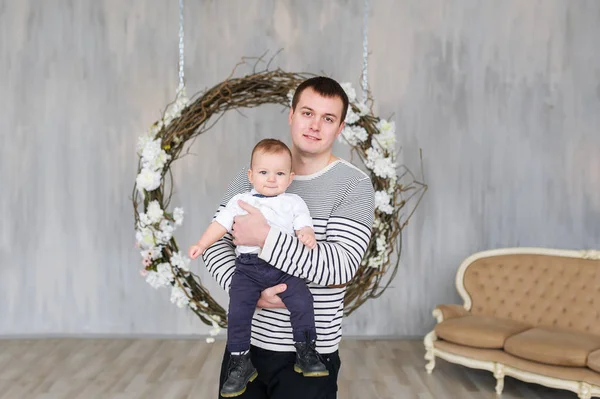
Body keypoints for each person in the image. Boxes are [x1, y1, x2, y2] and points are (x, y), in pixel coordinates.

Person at [203, 76, 375, 399]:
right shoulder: (253, 175)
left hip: (309, 357)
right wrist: (248, 290)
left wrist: (266, 237)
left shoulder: (354, 186)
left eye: (328, 118)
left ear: (340, 128)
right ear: (291, 115)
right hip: (245, 349)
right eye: (308, 113)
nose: (315, 125)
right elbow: (215, 242)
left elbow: (341, 268)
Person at [189, 138, 329, 398]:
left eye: (279, 174)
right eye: (264, 173)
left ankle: (306, 350)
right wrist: (201, 243)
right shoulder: (240, 201)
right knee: (239, 309)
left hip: (283, 267)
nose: (271, 179)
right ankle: (240, 361)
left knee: (302, 301)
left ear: (290, 178)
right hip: (248, 268)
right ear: (251, 175)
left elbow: (302, 224)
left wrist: (308, 234)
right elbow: (220, 225)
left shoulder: (293, 202)